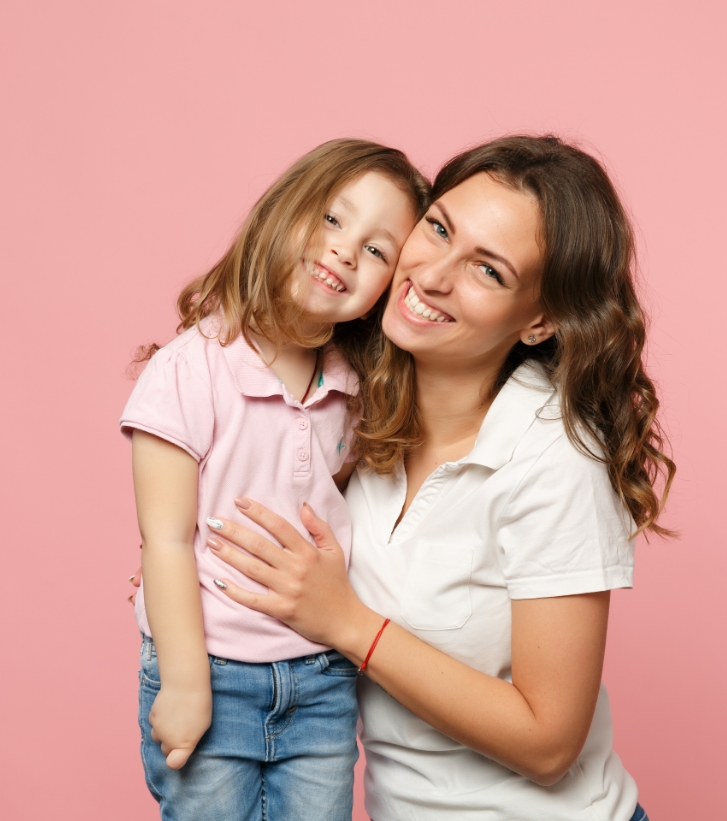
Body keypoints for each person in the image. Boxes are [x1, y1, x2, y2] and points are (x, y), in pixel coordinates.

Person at [203, 136, 673, 821]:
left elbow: (549, 741)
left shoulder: (554, 458)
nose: (429, 275)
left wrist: (347, 623)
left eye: (487, 270)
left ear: (539, 320)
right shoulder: (349, 404)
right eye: (438, 228)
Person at [120, 138, 428, 821]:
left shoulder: (359, 388)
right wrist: (185, 681)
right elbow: (165, 541)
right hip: (213, 670)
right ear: (281, 210)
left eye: (378, 250)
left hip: (321, 679)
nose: (347, 250)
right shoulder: (189, 368)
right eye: (331, 217)